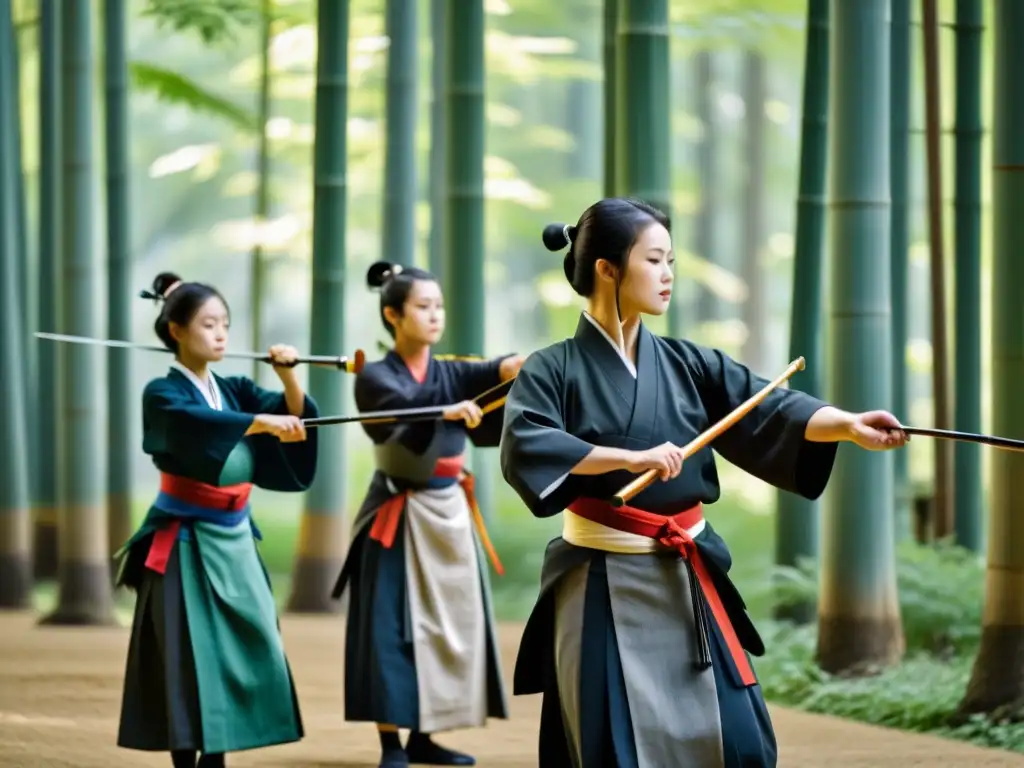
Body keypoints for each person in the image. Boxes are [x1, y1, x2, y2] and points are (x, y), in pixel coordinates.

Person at [498, 198, 910, 768]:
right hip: (601, 577)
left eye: (671, 261)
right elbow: (528, 442)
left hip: (684, 571)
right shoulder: (551, 368)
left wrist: (847, 425)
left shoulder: (687, 362)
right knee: (610, 741)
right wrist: (627, 456)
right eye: (655, 260)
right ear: (607, 268)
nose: (668, 275)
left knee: (738, 739)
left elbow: (765, 406)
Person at [115, 272, 320, 768]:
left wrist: (289, 377)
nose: (221, 334)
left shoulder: (233, 388)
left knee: (251, 642)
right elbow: (193, 427)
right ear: (177, 331)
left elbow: (289, 415)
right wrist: (257, 423)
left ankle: (221, 751)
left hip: (234, 536)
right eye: (208, 324)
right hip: (183, 538)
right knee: (189, 653)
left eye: (225, 324)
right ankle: (191, 758)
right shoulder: (162, 394)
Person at [332, 261, 525, 768]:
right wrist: (443, 410)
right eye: (423, 306)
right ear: (393, 315)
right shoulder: (374, 376)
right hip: (398, 512)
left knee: (446, 626)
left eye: (438, 305)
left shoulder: (452, 370)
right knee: (391, 628)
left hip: (448, 511)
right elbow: (401, 406)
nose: (435, 314)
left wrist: (526, 365)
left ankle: (425, 735)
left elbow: (497, 370)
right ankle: (391, 744)